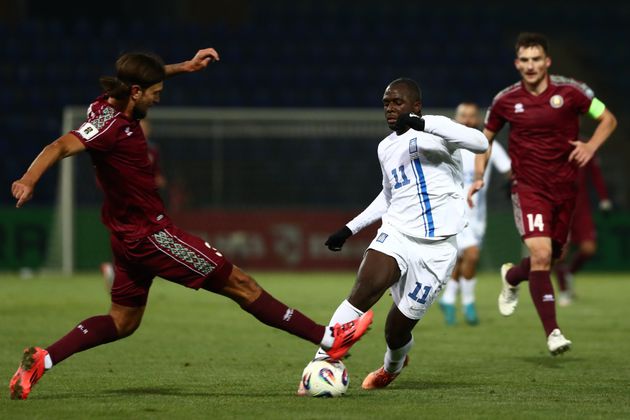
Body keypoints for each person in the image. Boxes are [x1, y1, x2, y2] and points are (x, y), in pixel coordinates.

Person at [9, 49, 372, 400]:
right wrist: (28, 179)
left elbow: (144, 80)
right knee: (241, 285)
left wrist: (183, 67)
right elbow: (58, 146)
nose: (158, 99)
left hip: (127, 237)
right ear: (135, 92)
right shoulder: (109, 127)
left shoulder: (106, 104)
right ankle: (329, 338)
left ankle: (43, 360)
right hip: (153, 236)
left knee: (122, 321)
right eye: (154, 93)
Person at [298, 78, 488, 394]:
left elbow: (480, 142)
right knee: (365, 288)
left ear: (416, 106)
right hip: (397, 233)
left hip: (437, 250)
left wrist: (422, 124)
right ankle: (322, 361)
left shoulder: (438, 130)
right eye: (386, 103)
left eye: (397, 102)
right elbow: (389, 195)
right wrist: (350, 228)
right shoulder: (385, 147)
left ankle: (392, 367)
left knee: (395, 332)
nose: (389, 108)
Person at [468, 33, 617, 355]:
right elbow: (485, 139)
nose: (531, 65)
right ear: (517, 64)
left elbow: (608, 118)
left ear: (547, 61)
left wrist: (591, 146)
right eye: (525, 60)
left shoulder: (573, 92)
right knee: (541, 255)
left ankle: (512, 276)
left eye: (536, 59)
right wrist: (479, 176)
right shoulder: (505, 100)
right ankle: (553, 333)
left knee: (551, 257)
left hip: (566, 189)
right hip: (529, 187)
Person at [439, 102, 511, 325]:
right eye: (464, 115)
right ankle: (469, 302)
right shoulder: (447, 146)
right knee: (471, 255)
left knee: (462, 259)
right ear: (456, 118)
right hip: (451, 211)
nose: (468, 120)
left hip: (477, 214)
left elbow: (509, 170)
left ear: (478, 119)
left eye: (472, 116)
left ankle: (448, 299)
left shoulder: (485, 145)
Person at [554, 156, 612, 306]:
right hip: (560, 206)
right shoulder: (554, 147)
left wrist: (604, 199)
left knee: (589, 248)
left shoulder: (586, 149)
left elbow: (596, 175)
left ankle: (569, 273)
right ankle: (564, 291)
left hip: (581, 208)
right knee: (560, 253)